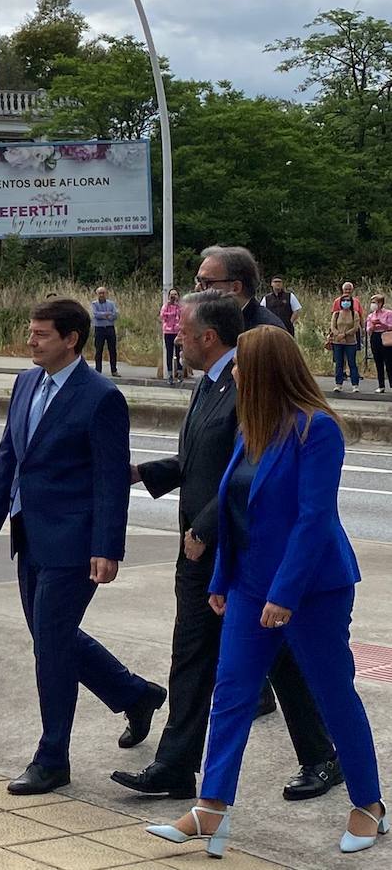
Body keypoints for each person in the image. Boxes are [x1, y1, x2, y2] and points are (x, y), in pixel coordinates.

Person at [147, 326, 384, 857]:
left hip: (311, 590)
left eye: (240, 365)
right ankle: (211, 809)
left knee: (333, 694)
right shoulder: (252, 428)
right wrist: (223, 580)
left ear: (264, 370)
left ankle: (369, 806)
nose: (232, 372)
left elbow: (313, 518)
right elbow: (234, 511)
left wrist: (284, 594)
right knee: (231, 694)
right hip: (250, 585)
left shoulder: (316, 429)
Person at [114, 291, 340, 803]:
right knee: (194, 654)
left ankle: (323, 755)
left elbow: (249, 472)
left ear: (207, 338)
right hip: (202, 546)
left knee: (279, 655)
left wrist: (205, 530)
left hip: (230, 544)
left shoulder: (248, 385)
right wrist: (142, 473)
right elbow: (199, 462)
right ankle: (176, 766)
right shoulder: (210, 384)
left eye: (183, 334)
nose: (177, 340)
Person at [0, 299, 164, 795]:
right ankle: (134, 693)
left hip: (76, 543)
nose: (31, 340)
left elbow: (110, 479)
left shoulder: (100, 397)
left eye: (41, 334)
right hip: (29, 534)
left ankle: (52, 757)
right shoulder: (24, 383)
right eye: (31, 331)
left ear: (71, 339)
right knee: (50, 637)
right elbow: (10, 456)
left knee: (52, 646)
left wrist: (108, 547)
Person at [195, 246, 283, 332]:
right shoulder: (209, 322)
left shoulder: (267, 333)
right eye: (198, 280)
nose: (197, 288)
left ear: (235, 288)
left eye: (207, 283)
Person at [328, 295, 361, 394]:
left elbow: (355, 328)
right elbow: (333, 327)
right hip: (337, 342)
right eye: (344, 301)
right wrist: (338, 335)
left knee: (352, 363)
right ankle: (339, 384)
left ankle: (355, 385)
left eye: (348, 300)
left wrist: (345, 334)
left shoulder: (354, 313)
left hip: (350, 342)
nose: (346, 302)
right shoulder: (336, 314)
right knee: (339, 363)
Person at [91, 286, 120, 377]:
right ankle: (98, 371)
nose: (102, 295)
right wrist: (106, 314)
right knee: (99, 350)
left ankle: (114, 370)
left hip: (110, 328)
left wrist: (105, 316)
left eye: (103, 293)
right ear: (97, 294)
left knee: (112, 350)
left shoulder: (111, 304)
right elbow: (95, 315)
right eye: (100, 293)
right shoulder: (94, 304)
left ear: (106, 294)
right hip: (99, 329)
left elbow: (115, 315)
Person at [366, 295, 392, 394]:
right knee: (378, 362)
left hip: (385, 336)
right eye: (372, 303)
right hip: (375, 337)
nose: (373, 305)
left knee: (389, 362)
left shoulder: (388, 313)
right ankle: (381, 385)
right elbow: (368, 329)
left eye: (375, 302)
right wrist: (372, 325)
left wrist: (383, 325)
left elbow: (390, 326)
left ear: (381, 303)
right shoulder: (371, 315)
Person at [160, 288, 182, 383]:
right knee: (169, 353)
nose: (173, 297)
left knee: (179, 353)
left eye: (175, 294)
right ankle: (170, 374)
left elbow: (182, 316)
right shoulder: (165, 306)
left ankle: (180, 373)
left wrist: (176, 306)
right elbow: (162, 316)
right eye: (171, 295)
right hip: (168, 332)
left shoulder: (180, 307)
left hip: (177, 332)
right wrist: (169, 307)